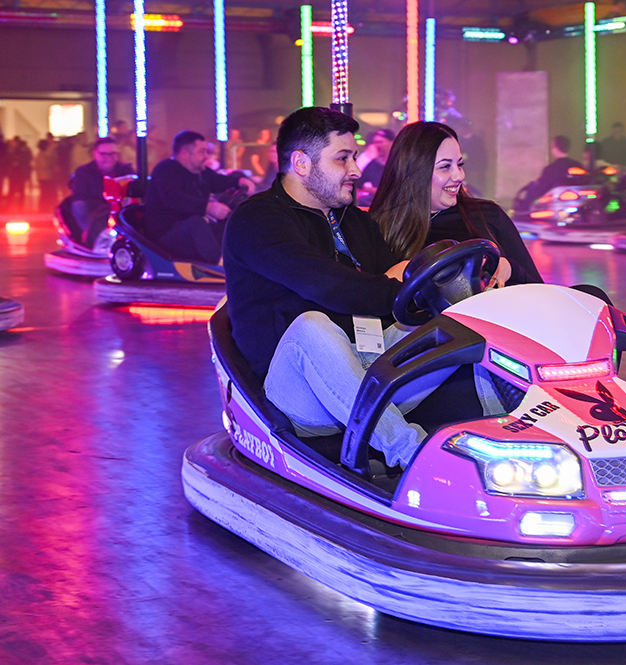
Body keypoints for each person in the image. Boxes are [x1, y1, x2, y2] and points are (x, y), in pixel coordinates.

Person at [223, 107, 443, 469]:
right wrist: (398, 292)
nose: (356, 170)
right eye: (343, 159)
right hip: (297, 390)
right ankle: (414, 457)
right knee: (312, 326)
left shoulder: (353, 220)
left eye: (354, 157)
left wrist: (438, 297)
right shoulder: (258, 220)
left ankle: (503, 427)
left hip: (367, 365)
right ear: (301, 163)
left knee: (457, 317)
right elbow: (327, 285)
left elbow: (390, 279)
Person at [370, 120, 542, 287]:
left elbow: (538, 290)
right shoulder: (380, 228)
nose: (459, 176)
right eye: (445, 167)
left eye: (459, 164)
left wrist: (510, 268)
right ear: (414, 172)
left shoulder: (488, 215)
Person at [144, 130, 255, 263]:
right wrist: (208, 207)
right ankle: (219, 265)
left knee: (231, 223)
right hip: (166, 235)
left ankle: (247, 260)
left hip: (192, 231)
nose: (206, 156)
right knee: (196, 223)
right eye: (202, 152)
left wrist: (239, 181)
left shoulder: (200, 172)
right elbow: (173, 198)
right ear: (185, 153)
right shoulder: (166, 169)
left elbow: (218, 181)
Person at [62, 137, 134, 246]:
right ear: (95, 153)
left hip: (120, 207)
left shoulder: (126, 170)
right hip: (95, 209)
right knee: (78, 206)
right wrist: (104, 202)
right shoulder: (84, 172)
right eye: (104, 154)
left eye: (112, 154)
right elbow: (79, 196)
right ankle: (90, 240)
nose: (108, 158)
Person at [518, 135, 585, 208]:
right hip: (576, 203)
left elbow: (541, 189)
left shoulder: (550, 169)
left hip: (554, 205)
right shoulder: (577, 166)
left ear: (555, 148)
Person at [355, 128, 395, 207]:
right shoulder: (372, 164)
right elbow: (359, 183)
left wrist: (376, 191)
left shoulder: (397, 164)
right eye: (375, 142)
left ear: (391, 143)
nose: (377, 145)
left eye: (380, 142)